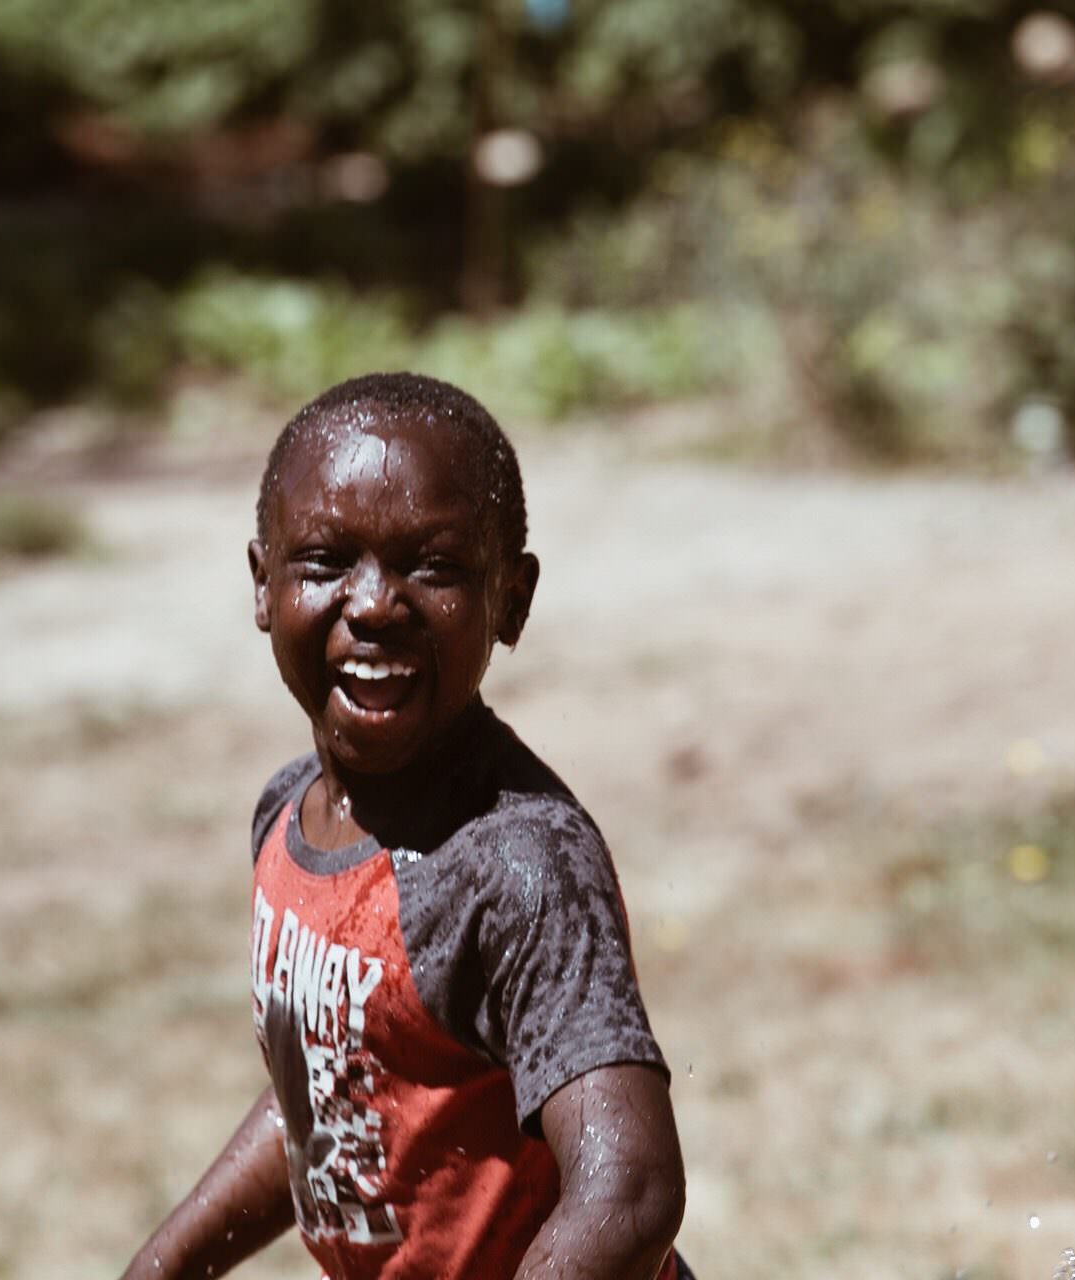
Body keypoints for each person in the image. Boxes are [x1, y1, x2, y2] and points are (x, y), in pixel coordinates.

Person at [119, 372, 691, 1280]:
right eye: (324, 561)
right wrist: (163, 1266)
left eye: (435, 566)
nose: (377, 603)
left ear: (512, 600)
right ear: (263, 586)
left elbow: (629, 1192)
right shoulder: (285, 815)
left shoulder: (516, 864)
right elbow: (333, 1105)